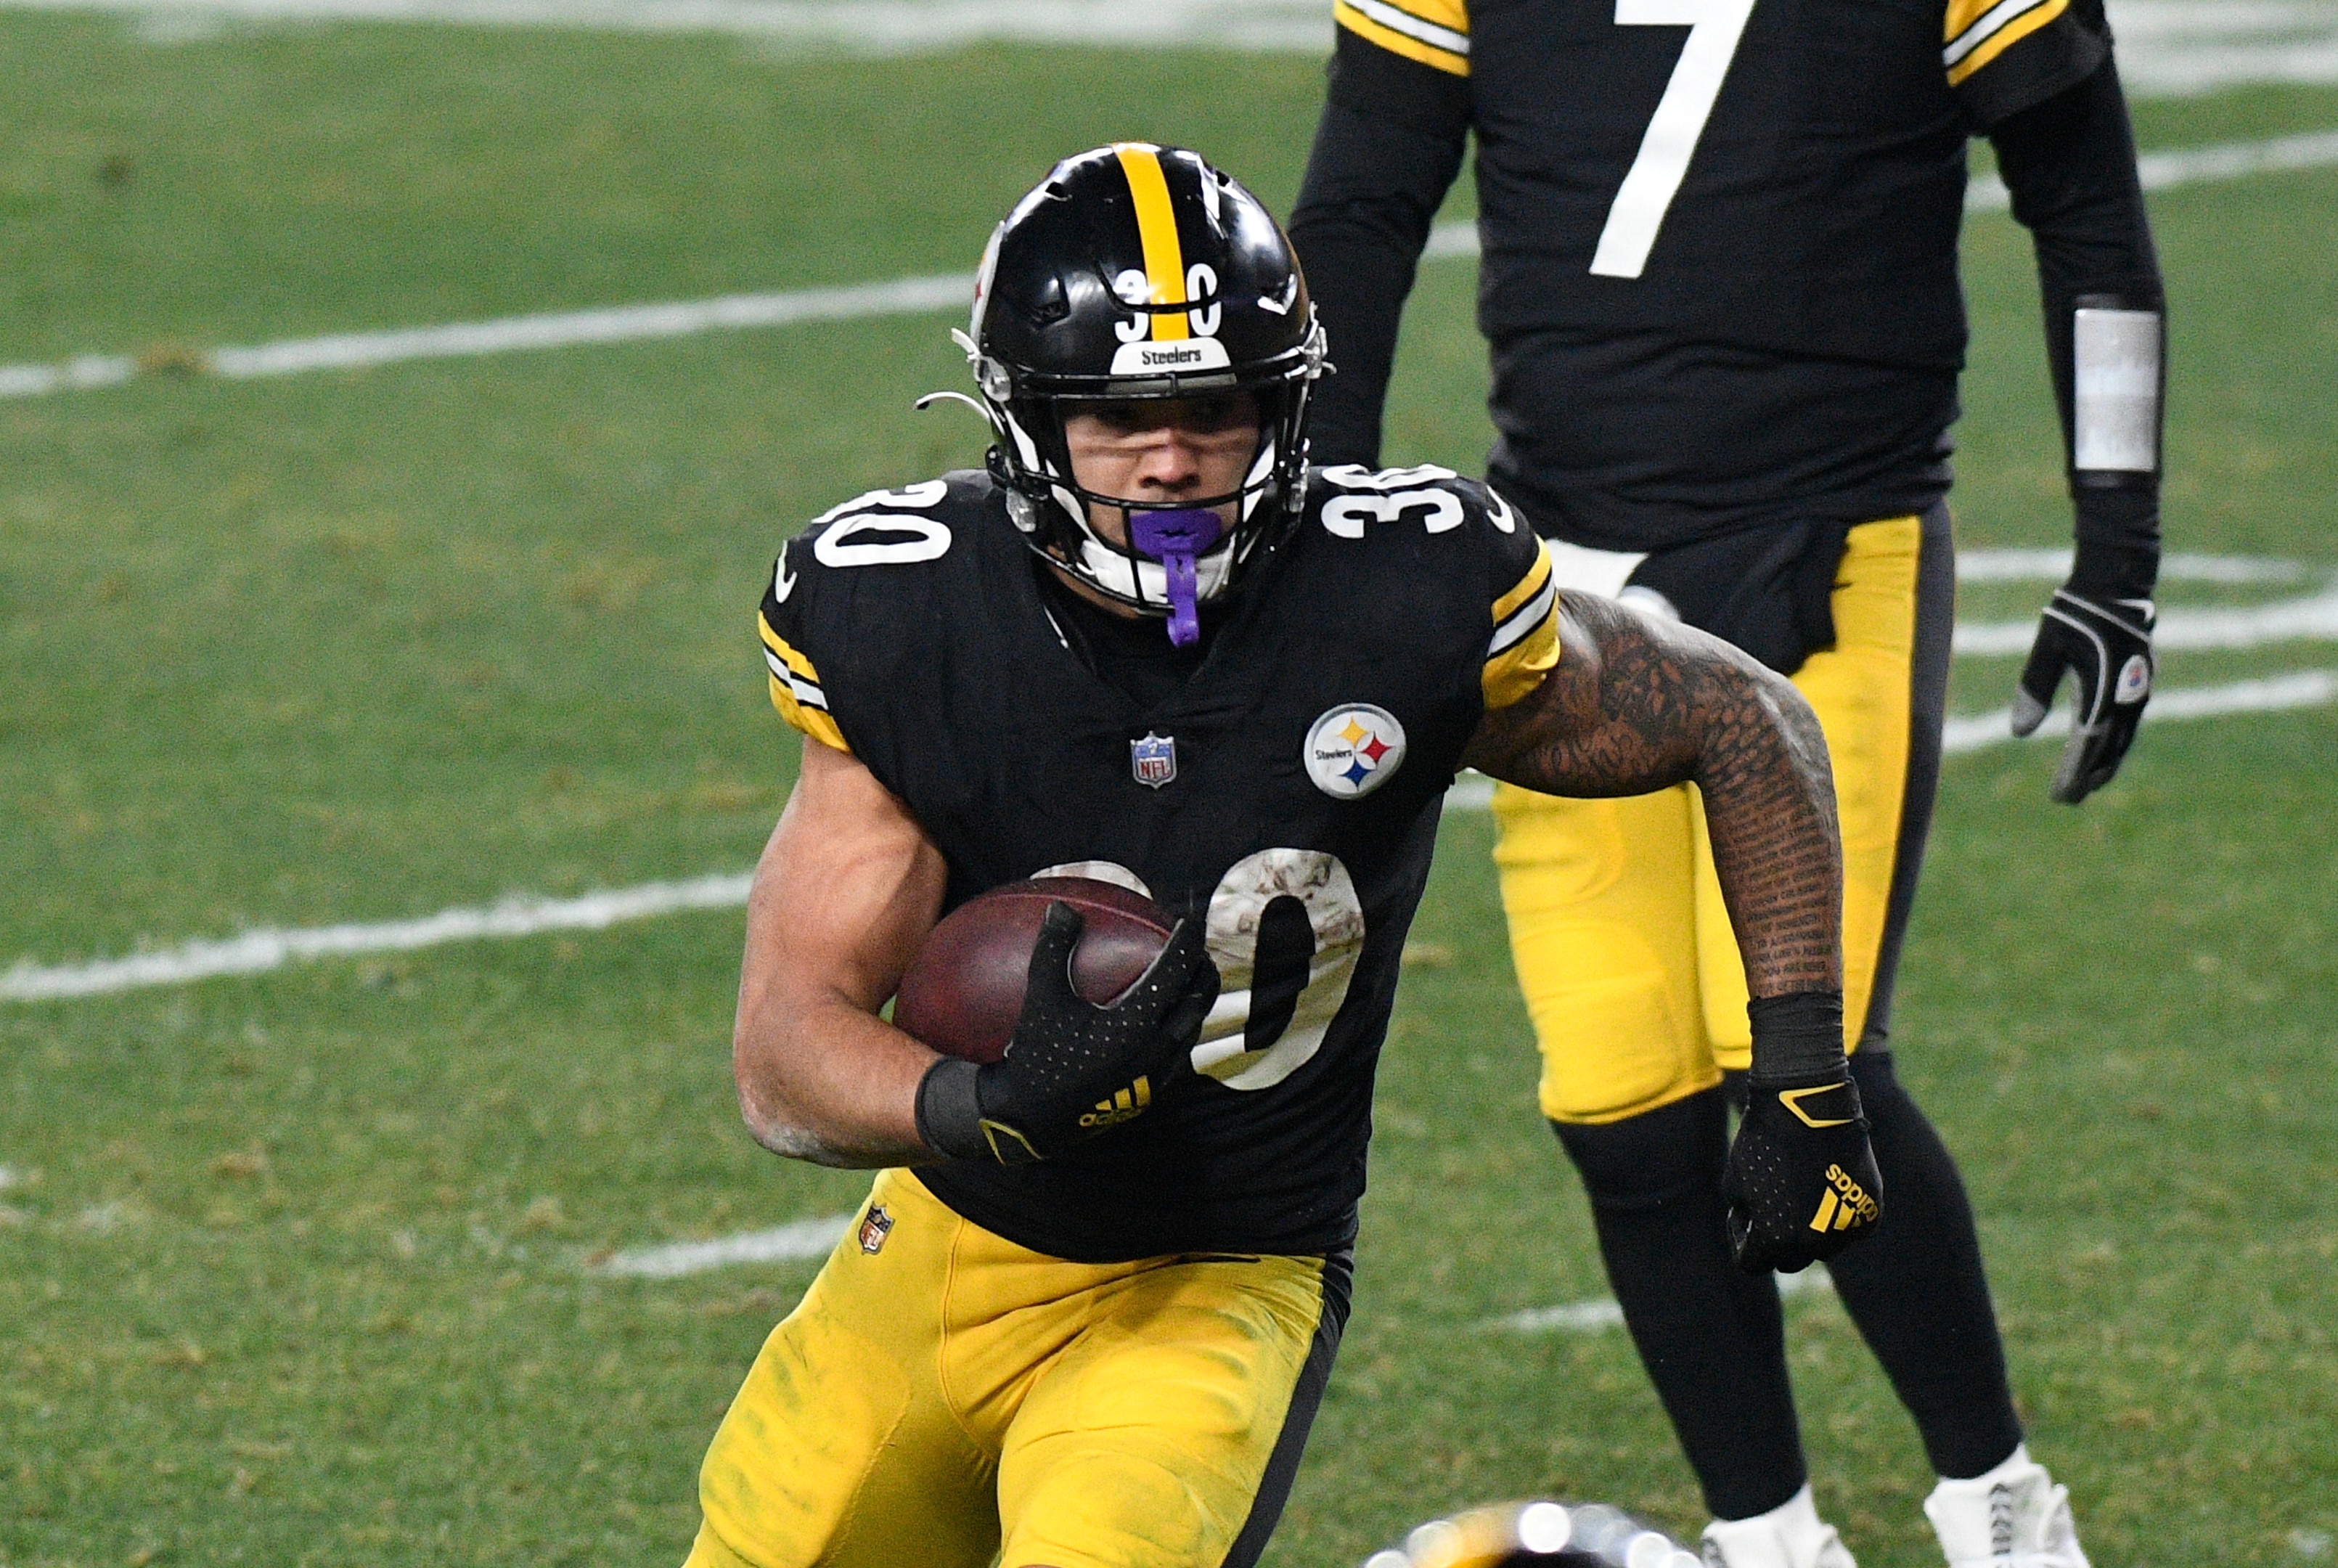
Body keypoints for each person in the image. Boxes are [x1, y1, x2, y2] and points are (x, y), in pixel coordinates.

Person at [684, 142, 1875, 1568]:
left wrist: (1803, 1070)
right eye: (1118, 417)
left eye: (1214, 407)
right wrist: (984, 1100)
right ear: (1023, 418)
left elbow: (1748, 724)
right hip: (950, 1244)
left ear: (1286, 403)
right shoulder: (902, 611)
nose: (1171, 457)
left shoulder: (1404, 588)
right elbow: (783, 1055)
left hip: (1222, 1270)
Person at [1286, 0, 2165, 1564]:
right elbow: (1357, 214)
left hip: (1828, 546)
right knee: (1618, 1100)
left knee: (1807, 1067)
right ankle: (1766, 1534)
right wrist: (1323, 525)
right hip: (1561, 569)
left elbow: (2083, 202)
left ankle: (2000, 1505)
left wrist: (2120, 548)